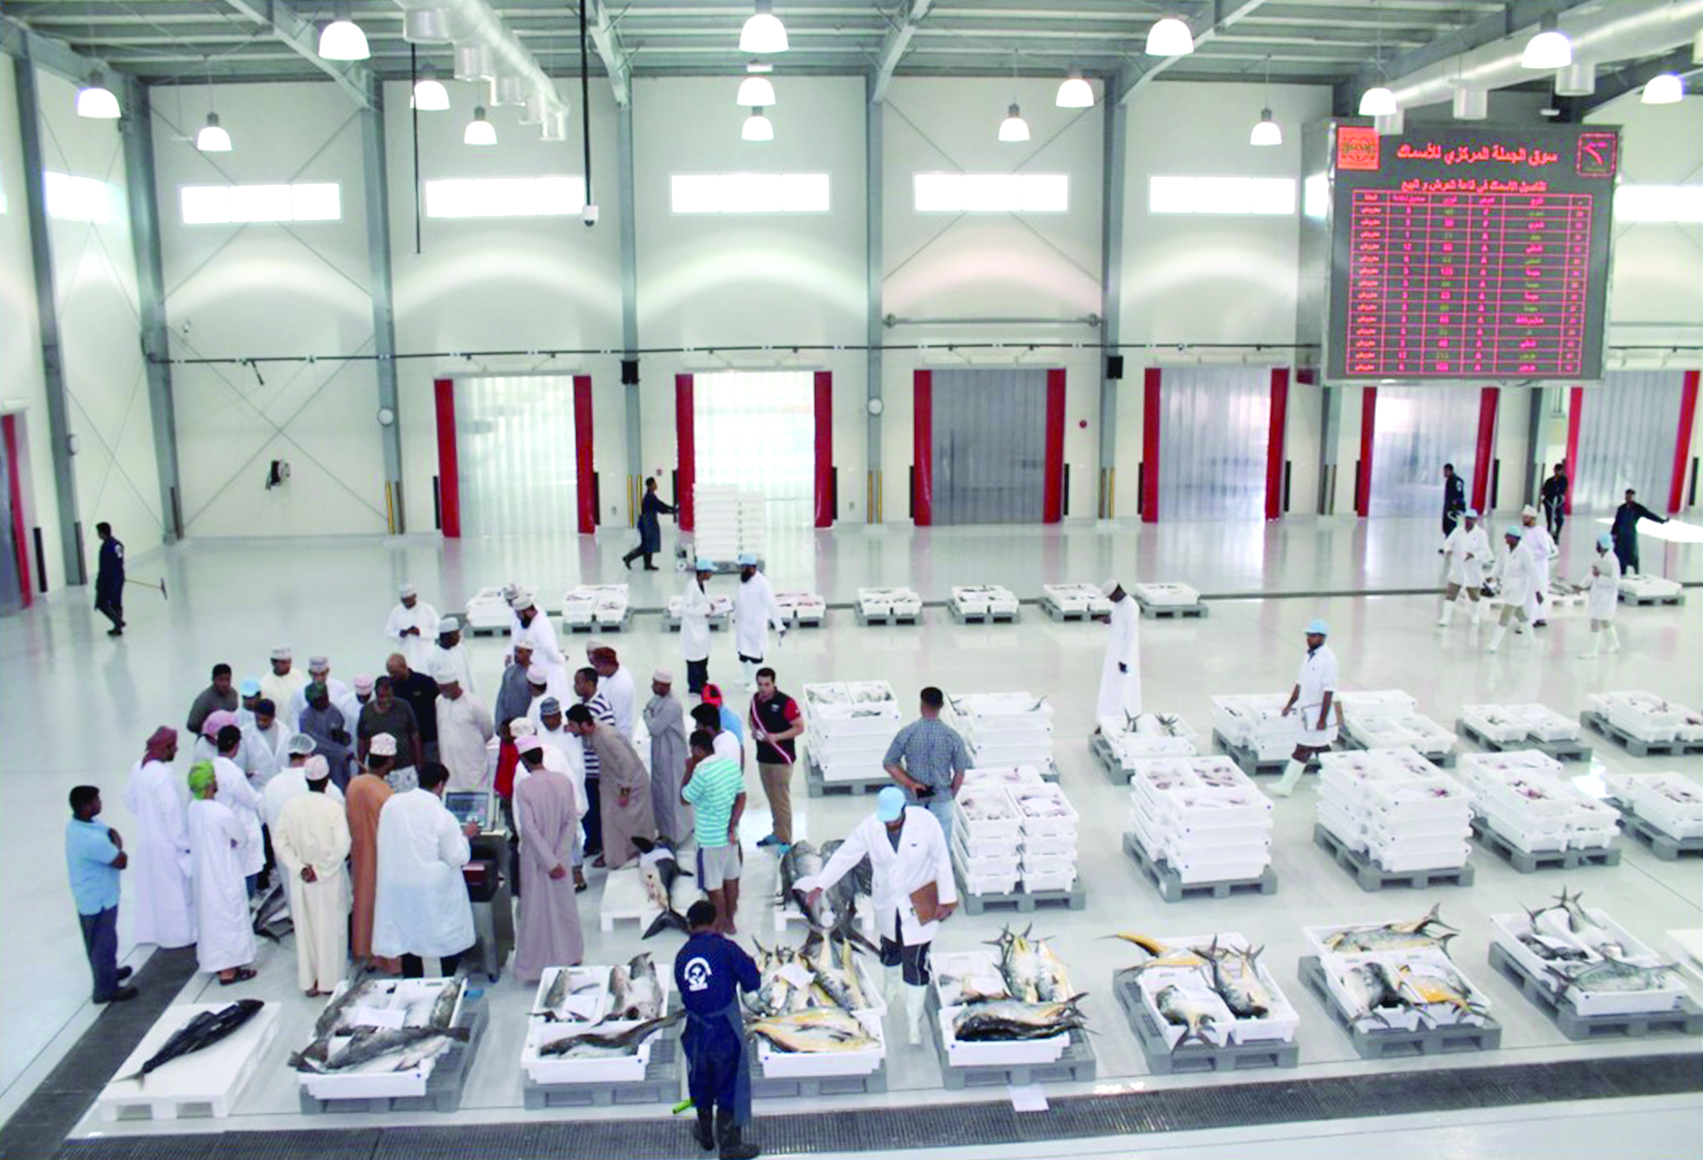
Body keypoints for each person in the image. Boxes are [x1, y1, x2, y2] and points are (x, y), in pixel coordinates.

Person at [803, 787, 957, 1046]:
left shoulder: (926, 823)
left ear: (904, 810)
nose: (889, 824)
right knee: (889, 949)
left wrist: (947, 899)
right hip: (888, 901)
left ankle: (913, 1020)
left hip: (920, 901)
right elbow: (846, 856)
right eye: (886, 820)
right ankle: (890, 990)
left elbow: (942, 860)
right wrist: (820, 885)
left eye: (894, 820)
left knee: (915, 960)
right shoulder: (870, 827)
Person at [372, 762, 480, 979]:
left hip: (400, 885)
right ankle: (447, 982)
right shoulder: (442, 816)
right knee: (445, 940)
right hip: (431, 890)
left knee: (409, 939)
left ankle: (412, 984)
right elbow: (457, 857)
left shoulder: (393, 804)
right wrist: (466, 836)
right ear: (440, 785)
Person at [675, 899, 762, 1159]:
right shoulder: (726, 948)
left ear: (690, 925)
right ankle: (730, 1145)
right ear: (715, 922)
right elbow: (752, 981)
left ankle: (705, 1135)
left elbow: (686, 991)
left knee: (700, 1079)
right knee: (729, 1082)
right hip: (724, 1029)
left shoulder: (682, 955)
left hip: (695, 1029)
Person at [273, 758, 351, 996]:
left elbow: (279, 842)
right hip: (328, 879)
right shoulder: (333, 807)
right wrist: (320, 870)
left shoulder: (291, 806)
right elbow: (342, 846)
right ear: (326, 781)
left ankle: (310, 982)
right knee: (331, 930)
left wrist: (299, 868)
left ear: (307, 780)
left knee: (306, 930)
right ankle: (330, 984)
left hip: (302, 880)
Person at [513, 742, 585, 982]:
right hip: (561, 860)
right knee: (564, 908)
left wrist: (548, 861)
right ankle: (571, 955)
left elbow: (529, 829)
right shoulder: (563, 782)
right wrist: (560, 857)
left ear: (524, 761)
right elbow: (571, 821)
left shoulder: (524, 787)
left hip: (537, 860)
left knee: (536, 911)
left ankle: (535, 966)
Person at [185, 763, 257, 985]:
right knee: (229, 921)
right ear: (209, 784)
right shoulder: (220, 812)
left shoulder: (193, 809)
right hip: (224, 876)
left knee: (211, 923)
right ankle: (229, 971)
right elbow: (242, 837)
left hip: (204, 879)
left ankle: (218, 965)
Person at [124, 727, 195, 950]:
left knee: (151, 892)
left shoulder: (139, 767)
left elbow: (129, 799)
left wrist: (148, 816)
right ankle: (179, 937)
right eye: (174, 746)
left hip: (147, 840)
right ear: (165, 748)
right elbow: (172, 813)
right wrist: (184, 844)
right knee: (174, 894)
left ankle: (151, 933)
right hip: (168, 846)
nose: (177, 749)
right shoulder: (163, 775)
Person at [66, 785, 137, 1003]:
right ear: (86, 807)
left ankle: (108, 973)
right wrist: (117, 846)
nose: (100, 803)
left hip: (93, 896)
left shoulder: (78, 826)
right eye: (97, 800)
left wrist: (112, 841)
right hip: (98, 900)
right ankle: (105, 989)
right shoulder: (91, 839)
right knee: (102, 945)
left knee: (101, 942)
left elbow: (110, 833)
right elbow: (121, 860)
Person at [566, 703, 654, 869]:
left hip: (630, 786)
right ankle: (615, 857)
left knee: (630, 825)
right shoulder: (594, 732)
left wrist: (624, 791)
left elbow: (627, 763)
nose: (569, 729)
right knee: (613, 824)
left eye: (572, 725)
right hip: (613, 784)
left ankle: (631, 856)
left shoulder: (607, 736)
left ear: (583, 724)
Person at [883, 687, 969, 845]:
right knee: (941, 845)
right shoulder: (953, 736)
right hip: (942, 798)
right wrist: (950, 794)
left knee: (913, 843)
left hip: (914, 798)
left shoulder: (908, 733)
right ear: (941, 706)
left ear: (921, 705)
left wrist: (911, 784)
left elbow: (889, 763)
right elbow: (960, 772)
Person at [681, 729, 747, 934]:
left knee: (713, 886)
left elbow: (684, 798)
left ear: (697, 749)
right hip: (731, 837)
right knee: (731, 880)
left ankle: (718, 926)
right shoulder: (730, 765)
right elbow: (742, 796)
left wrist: (688, 770)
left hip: (709, 841)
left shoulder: (701, 772)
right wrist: (733, 823)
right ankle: (730, 923)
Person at [346, 749, 397, 974]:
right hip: (384, 857)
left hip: (359, 855)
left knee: (364, 902)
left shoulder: (354, 785)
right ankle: (391, 961)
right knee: (386, 908)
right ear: (389, 762)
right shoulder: (386, 793)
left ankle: (367, 954)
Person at [1272, 620, 1338, 797]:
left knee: (1303, 748)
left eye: (1313, 636)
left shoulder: (1328, 659)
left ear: (1323, 637)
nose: (1309, 639)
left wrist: (1322, 719)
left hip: (1317, 713)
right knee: (1322, 750)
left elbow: (1329, 691)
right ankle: (1333, 784)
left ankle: (1286, 785)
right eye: (1308, 635)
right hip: (1306, 713)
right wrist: (1289, 704)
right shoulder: (1309, 656)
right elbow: (1300, 684)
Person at [748, 668, 803, 852]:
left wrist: (777, 737)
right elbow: (751, 718)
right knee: (772, 797)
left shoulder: (786, 702)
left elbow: (799, 727)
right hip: (764, 757)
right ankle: (777, 832)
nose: (763, 688)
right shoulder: (755, 700)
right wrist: (753, 731)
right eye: (760, 684)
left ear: (774, 683)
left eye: (767, 684)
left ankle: (786, 839)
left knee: (781, 800)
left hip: (781, 758)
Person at [212, 724, 265, 894]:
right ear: (236, 746)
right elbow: (251, 800)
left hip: (223, 835)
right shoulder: (232, 772)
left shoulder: (212, 767)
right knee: (246, 886)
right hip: (241, 833)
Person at [573, 666, 618, 859]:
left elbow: (607, 738)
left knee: (599, 811)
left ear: (590, 684)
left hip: (598, 770)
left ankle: (602, 845)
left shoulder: (601, 707)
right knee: (588, 811)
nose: (575, 686)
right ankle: (592, 842)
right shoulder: (584, 704)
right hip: (586, 768)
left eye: (578, 682)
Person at [645, 671, 691, 845]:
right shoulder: (657, 700)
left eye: (656, 683)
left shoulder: (673, 705)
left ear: (664, 686)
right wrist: (649, 714)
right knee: (661, 794)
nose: (653, 686)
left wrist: (649, 715)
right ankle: (664, 831)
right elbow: (647, 710)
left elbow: (654, 728)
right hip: (661, 753)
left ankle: (677, 834)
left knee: (672, 795)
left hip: (672, 757)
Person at [435, 663, 493, 791]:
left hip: (472, 763)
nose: (443, 692)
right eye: (441, 688)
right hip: (448, 762)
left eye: (446, 688)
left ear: (455, 684)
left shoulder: (474, 703)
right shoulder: (439, 701)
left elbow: (488, 732)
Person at [732, 555, 786, 690]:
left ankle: (756, 683)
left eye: (743, 567)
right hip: (742, 624)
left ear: (752, 567)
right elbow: (739, 600)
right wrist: (735, 615)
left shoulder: (762, 583)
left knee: (756, 655)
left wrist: (779, 625)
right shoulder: (744, 580)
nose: (741, 570)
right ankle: (746, 678)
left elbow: (771, 605)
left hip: (755, 626)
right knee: (743, 653)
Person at [1095, 580, 1141, 730]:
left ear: (1118, 592)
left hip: (1125, 656)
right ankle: (1107, 719)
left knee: (1122, 688)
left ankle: (1120, 720)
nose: (1110, 600)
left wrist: (1124, 659)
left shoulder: (1132, 607)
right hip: (1114, 653)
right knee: (1110, 687)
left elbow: (1130, 635)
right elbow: (1117, 623)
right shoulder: (1117, 604)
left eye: (1111, 597)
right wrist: (1108, 621)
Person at [359, 675, 422, 781]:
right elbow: (362, 740)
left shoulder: (404, 707)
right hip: (377, 771)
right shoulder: (366, 711)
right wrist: (361, 765)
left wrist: (418, 762)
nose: (385, 700)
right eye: (382, 696)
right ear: (376, 693)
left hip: (404, 768)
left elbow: (414, 734)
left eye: (389, 696)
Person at [510, 587, 568, 696]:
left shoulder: (541, 624)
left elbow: (550, 651)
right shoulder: (530, 622)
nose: (518, 618)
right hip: (535, 671)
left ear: (527, 611)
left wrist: (562, 658)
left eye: (519, 615)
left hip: (547, 671)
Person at [1437, 509, 1490, 627]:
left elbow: (1486, 552)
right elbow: (1448, 543)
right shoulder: (1457, 531)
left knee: (1474, 595)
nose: (1468, 521)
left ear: (1475, 520)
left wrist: (1474, 555)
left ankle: (1475, 616)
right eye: (1467, 519)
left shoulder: (1481, 534)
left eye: (1471, 519)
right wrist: (1448, 550)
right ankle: (1445, 618)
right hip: (1457, 569)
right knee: (1451, 593)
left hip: (1472, 570)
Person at [1488, 527, 1536, 654]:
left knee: (1505, 614)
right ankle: (1532, 640)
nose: (1506, 538)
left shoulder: (1525, 552)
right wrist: (1491, 575)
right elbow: (1499, 564)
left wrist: (1537, 590)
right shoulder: (1505, 549)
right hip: (1508, 587)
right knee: (1521, 615)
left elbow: (1532, 571)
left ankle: (1494, 644)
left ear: (1516, 538)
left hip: (1519, 588)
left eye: (1508, 536)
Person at [387, 653, 441, 763]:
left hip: (428, 737)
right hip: (406, 740)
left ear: (403, 667)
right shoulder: (392, 687)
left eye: (394, 672)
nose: (392, 676)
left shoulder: (425, 682)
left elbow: (440, 703)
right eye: (390, 673)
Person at [298, 681, 354, 788]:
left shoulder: (334, 711)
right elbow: (314, 743)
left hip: (337, 765)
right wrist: (340, 751)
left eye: (325, 697)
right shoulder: (306, 717)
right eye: (320, 700)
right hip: (317, 765)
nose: (325, 702)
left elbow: (342, 733)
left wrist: (342, 737)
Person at [1580, 533, 1623, 658]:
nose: (1596, 546)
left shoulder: (1612, 560)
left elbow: (1615, 581)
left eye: (1597, 544)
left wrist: (1600, 576)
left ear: (1602, 545)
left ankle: (1592, 651)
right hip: (1599, 596)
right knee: (1605, 620)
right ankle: (1614, 643)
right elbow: (1591, 575)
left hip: (1606, 597)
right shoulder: (1602, 559)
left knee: (1595, 621)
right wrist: (1581, 586)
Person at [386, 582, 441, 672]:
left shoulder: (428, 610)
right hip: (406, 653)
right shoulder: (396, 612)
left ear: (414, 596)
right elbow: (388, 632)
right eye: (404, 600)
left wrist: (420, 632)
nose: (406, 603)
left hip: (426, 654)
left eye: (409, 600)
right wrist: (400, 634)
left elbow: (438, 631)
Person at [624, 476, 675, 571]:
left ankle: (647, 564)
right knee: (646, 545)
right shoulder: (649, 497)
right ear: (651, 485)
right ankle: (628, 558)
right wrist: (672, 511)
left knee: (649, 544)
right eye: (655, 483)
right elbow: (660, 508)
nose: (656, 485)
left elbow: (661, 504)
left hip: (648, 522)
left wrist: (672, 509)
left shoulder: (651, 495)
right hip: (646, 523)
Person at [1612, 488, 1667, 576]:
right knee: (1620, 556)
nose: (1628, 498)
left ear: (1633, 497)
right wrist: (1613, 534)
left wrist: (1661, 521)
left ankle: (1637, 573)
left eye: (1630, 496)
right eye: (1627, 496)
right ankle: (1622, 573)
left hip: (1630, 536)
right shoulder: (1621, 508)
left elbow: (1648, 514)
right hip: (1621, 536)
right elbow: (1617, 522)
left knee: (1633, 554)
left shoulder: (1637, 508)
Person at [288, 657, 352, 732]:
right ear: (309, 673)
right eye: (315, 675)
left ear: (327, 671)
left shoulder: (340, 688)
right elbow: (295, 717)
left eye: (322, 674)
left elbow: (346, 714)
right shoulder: (299, 692)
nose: (319, 678)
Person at [680, 560, 715, 695]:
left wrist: (709, 606)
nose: (711, 574)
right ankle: (694, 687)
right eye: (709, 572)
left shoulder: (702, 585)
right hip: (692, 629)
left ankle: (703, 681)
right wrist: (704, 610)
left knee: (703, 656)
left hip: (701, 628)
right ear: (702, 573)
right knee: (694, 658)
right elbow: (686, 608)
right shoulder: (691, 587)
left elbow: (702, 602)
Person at [242, 698, 294, 789]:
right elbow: (240, 764)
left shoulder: (285, 732)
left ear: (273, 717)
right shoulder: (245, 734)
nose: (260, 723)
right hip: (257, 787)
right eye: (257, 719)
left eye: (264, 720)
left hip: (282, 785)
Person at [1519, 505, 1556, 628]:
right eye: (1523, 517)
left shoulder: (1540, 532)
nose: (1523, 519)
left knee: (1534, 593)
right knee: (1529, 593)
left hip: (1538, 568)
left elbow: (1546, 551)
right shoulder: (1525, 531)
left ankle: (1530, 620)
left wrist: (1530, 555)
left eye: (1526, 517)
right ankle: (1539, 617)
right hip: (1528, 568)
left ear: (1533, 518)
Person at [592, 646, 638, 740]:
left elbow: (613, 717)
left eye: (598, 667)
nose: (596, 670)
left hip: (617, 734)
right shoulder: (606, 675)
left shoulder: (622, 685)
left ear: (607, 665)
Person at [186, 664, 238, 735]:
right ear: (213, 679)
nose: (225, 684)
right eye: (221, 680)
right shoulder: (204, 699)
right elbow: (192, 724)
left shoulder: (233, 694)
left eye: (227, 679)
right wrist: (208, 730)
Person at [93, 521, 125, 636]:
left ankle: (118, 622)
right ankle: (117, 628)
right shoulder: (118, 544)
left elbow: (104, 567)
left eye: (98, 532)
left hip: (110, 579)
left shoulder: (105, 547)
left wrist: (100, 582)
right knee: (116, 601)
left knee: (102, 603)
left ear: (102, 533)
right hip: (120, 575)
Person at [260, 647, 309, 718]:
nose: (287, 666)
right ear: (273, 662)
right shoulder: (265, 684)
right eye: (283, 663)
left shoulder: (298, 675)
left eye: (289, 662)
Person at [432, 616, 474, 694]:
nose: (459, 636)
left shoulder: (460, 648)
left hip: (466, 694)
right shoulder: (433, 655)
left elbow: (469, 673)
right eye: (455, 634)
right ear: (445, 636)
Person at [1541, 463, 1568, 541]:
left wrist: (1559, 494)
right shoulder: (1549, 481)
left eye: (1559, 470)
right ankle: (1549, 535)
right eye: (1556, 470)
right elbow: (1545, 490)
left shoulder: (1563, 480)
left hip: (1558, 503)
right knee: (1549, 519)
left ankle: (1557, 534)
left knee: (1559, 519)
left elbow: (1562, 490)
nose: (1557, 472)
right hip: (1549, 502)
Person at [1441, 463, 1466, 538]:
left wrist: (1453, 508)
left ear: (1450, 470)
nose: (1444, 473)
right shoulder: (1458, 480)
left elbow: (1456, 496)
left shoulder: (1452, 481)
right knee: (1450, 527)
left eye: (1445, 471)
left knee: (1450, 528)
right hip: (1454, 507)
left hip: (1451, 508)